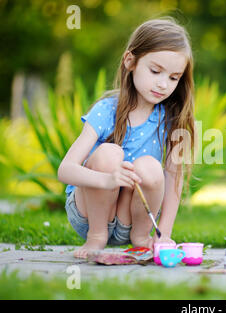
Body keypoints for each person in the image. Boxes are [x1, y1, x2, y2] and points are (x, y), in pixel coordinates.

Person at [58, 18, 195, 259]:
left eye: (174, 78)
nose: (163, 84)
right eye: (155, 71)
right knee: (110, 154)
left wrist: (164, 233)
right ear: (130, 61)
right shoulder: (105, 111)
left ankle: (141, 239)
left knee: (151, 167)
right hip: (89, 213)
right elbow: (65, 170)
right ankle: (97, 238)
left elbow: (174, 177)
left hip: (132, 218)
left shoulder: (171, 119)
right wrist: (107, 180)